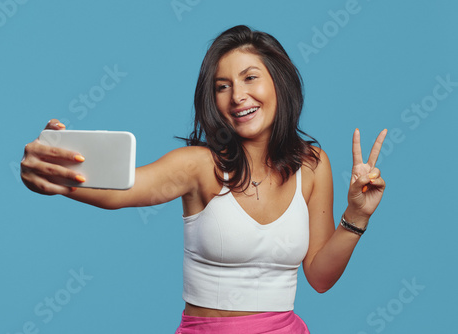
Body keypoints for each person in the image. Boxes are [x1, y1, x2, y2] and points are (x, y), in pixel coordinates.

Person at [21, 25, 387, 333]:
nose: (238, 96)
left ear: (280, 82)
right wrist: (52, 170)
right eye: (222, 86)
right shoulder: (200, 166)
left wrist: (357, 215)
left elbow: (320, 277)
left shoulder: (312, 164)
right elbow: (123, 189)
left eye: (250, 78)